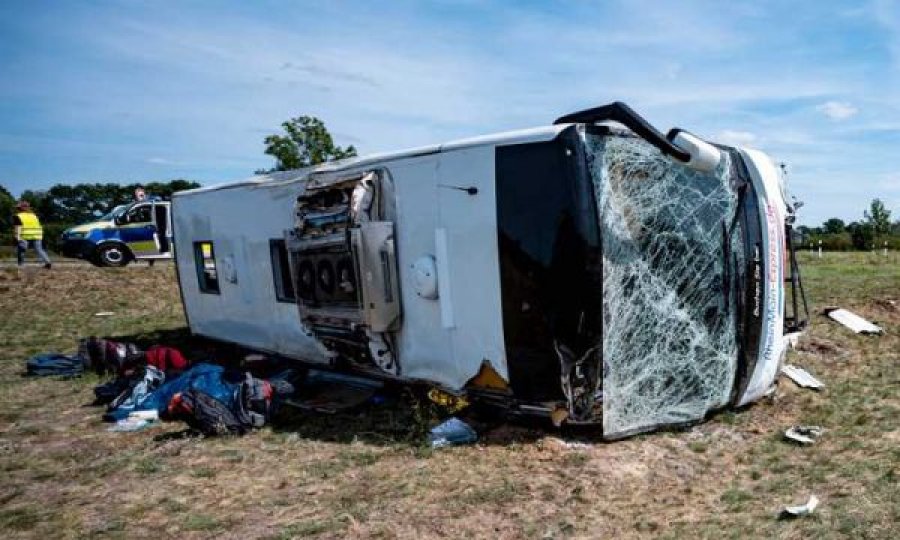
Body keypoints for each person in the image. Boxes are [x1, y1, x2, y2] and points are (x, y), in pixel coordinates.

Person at [13, 200, 51, 269]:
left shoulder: (18, 216)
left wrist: (16, 236)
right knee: (39, 249)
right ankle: (47, 262)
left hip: (25, 235)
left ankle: (21, 265)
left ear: (20, 208)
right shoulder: (34, 215)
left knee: (21, 249)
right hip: (37, 234)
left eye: (18, 208)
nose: (17, 209)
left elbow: (18, 227)